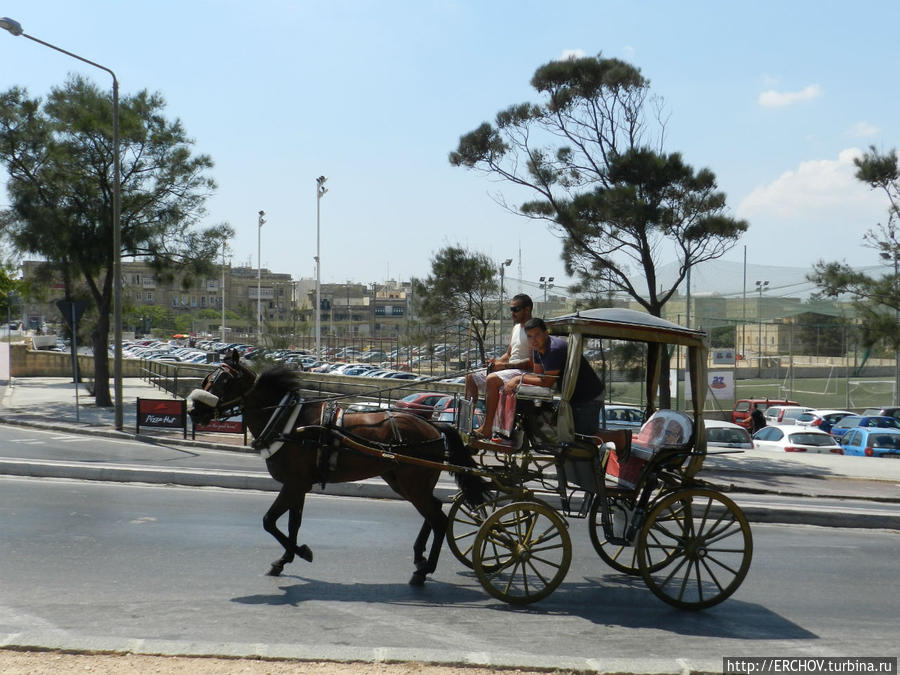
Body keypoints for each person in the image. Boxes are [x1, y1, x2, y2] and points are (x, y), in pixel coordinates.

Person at [504, 317, 605, 437]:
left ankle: (621, 438)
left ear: (546, 333)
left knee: (585, 436)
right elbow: (538, 376)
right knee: (575, 434)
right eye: (529, 336)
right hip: (573, 396)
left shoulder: (554, 349)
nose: (533, 340)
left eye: (537, 335)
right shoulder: (537, 348)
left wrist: (517, 379)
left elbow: (546, 382)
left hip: (588, 396)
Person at [467, 294, 534, 438]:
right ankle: (466, 424)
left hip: (523, 372)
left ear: (527, 309)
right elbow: (509, 354)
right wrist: (496, 362)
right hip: (511, 368)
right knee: (470, 377)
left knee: (492, 379)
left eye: (515, 309)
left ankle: (487, 428)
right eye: (511, 309)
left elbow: (532, 363)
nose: (512, 313)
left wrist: (503, 367)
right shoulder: (516, 328)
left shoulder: (534, 329)